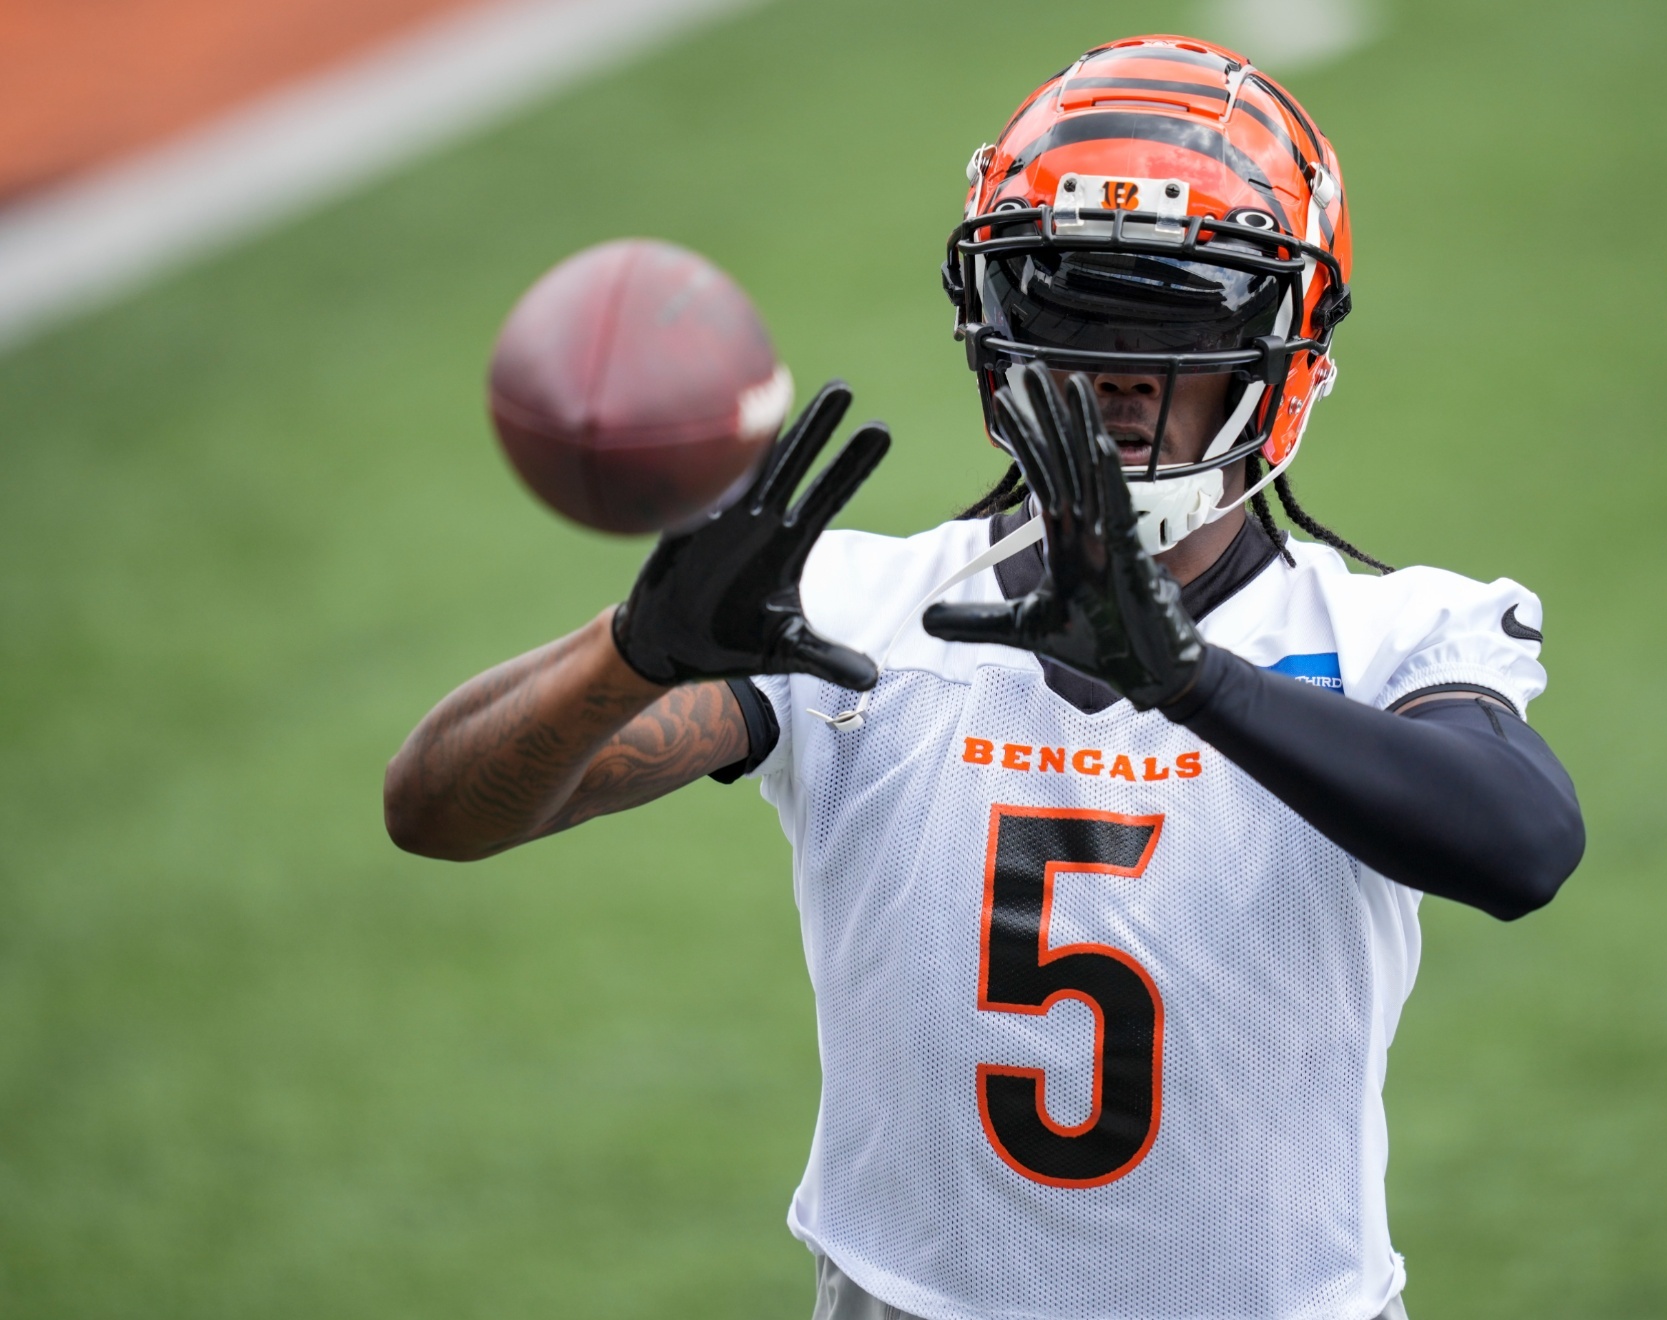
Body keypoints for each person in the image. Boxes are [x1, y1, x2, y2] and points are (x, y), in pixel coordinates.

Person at [384, 33, 1584, 1320]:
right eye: (1073, 306)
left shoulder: (1391, 634)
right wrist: (630, 654)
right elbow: (437, 810)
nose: (1121, 370)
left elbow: (1520, 846)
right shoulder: (856, 611)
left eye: (1178, 313)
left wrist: (1192, 683)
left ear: (1288, 346)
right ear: (997, 322)